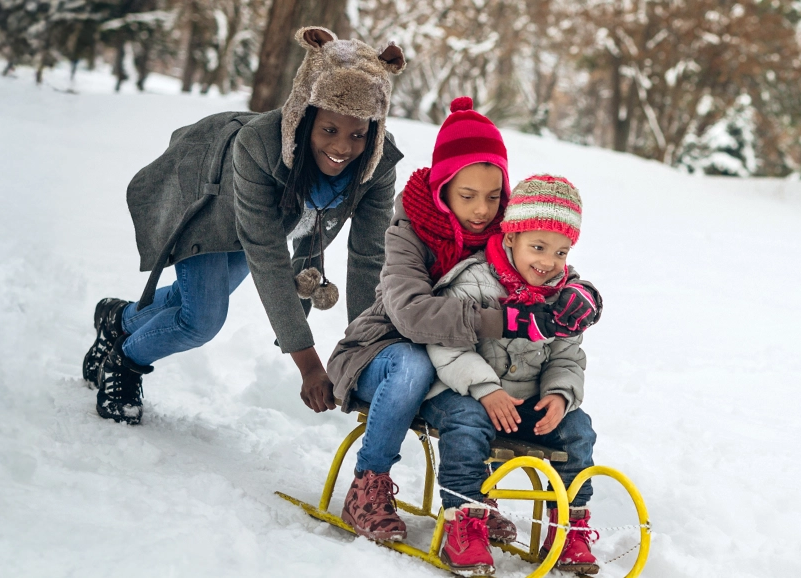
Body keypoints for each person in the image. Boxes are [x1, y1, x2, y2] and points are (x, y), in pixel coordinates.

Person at [321, 98, 602, 561]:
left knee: (559, 423)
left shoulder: (511, 239)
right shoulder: (409, 231)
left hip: (462, 368)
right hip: (387, 350)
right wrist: (512, 322)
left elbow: (551, 259)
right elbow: (414, 317)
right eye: (467, 195)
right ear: (442, 186)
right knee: (417, 368)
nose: (481, 209)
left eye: (494, 197)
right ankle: (368, 485)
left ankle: (534, 516)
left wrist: (581, 295)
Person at [81, 27, 407, 425]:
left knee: (192, 298)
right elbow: (267, 258)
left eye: (358, 134)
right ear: (305, 119)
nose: (342, 147)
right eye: (329, 130)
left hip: (262, 218)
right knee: (200, 319)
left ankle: (117, 319)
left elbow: (368, 258)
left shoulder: (376, 162)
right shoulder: (258, 146)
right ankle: (125, 362)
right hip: (209, 202)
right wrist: (308, 366)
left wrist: (363, 351)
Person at [423, 175, 600, 576]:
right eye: (537, 247)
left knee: (578, 429)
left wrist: (558, 395)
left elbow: (568, 356)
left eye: (560, 252)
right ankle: (464, 521)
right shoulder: (472, 283)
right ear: (510, 239)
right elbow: (447, 344)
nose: (547, 262)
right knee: (466, 424)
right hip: (463, 393)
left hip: (524, 402)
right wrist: (485, 389)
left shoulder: (564, 297)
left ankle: (567, 524)